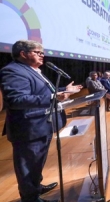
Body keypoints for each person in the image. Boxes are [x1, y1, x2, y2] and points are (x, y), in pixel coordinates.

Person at [0, 40, 82, 202]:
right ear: (23, 54)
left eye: (42, 53)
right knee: (27, 166)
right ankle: (30, 197)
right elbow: (17, 99)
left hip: (42, 124)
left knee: (37, 161)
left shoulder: (33, 70)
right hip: (28, 128)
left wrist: (64, 90)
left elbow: (43, 92)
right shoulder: (13, 71)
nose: (42, 55)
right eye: (38, 52)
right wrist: (54, 97)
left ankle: (36, 187)